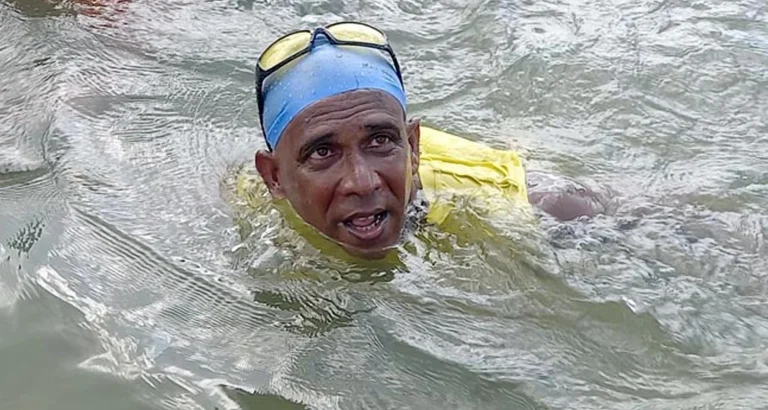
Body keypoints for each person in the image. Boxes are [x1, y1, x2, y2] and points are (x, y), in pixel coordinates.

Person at [250, 22, 610, 260]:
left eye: (380, 140)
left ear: (412, 146)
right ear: (274, 178)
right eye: (323, 152)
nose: (362, 182)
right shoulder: (249, 204)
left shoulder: (523, 203)